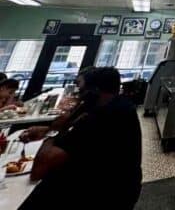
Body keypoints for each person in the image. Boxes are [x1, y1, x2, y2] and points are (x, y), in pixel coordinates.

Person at [19, 67, 142, 210]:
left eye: (81, 87)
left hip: (102, 196)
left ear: (94, 90)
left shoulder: (102, 117)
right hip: (120, 189)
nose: (78, 93)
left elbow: (39, 170)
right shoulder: (118, 106)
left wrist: (52, 133)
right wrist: (51, 128)